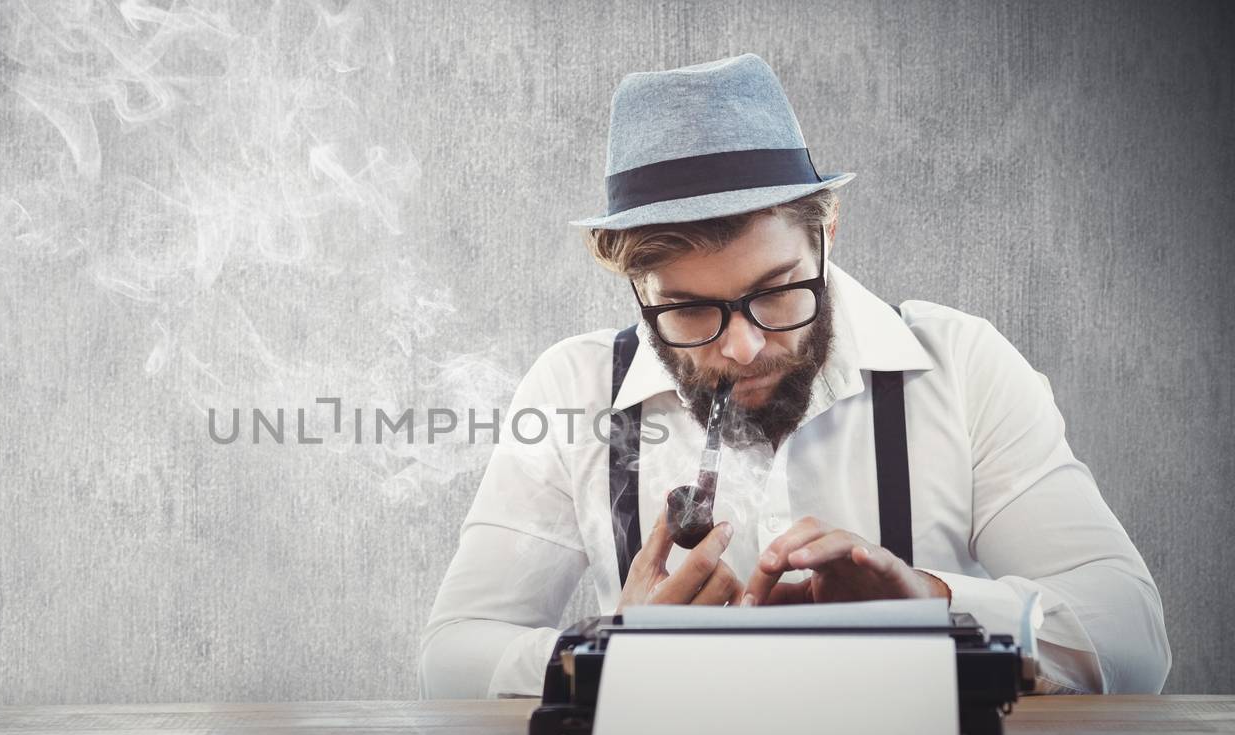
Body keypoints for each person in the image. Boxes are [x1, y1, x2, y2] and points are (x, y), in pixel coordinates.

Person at [419, 54, 1170, 699]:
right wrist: (606, 651)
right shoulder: (573, 391)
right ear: (637, 291)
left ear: (827, 231)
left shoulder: (963, 367)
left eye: (777, 290)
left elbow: (1133, 640)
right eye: (686, 309)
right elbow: (451, 654)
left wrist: (935, 606)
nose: (742, 347)